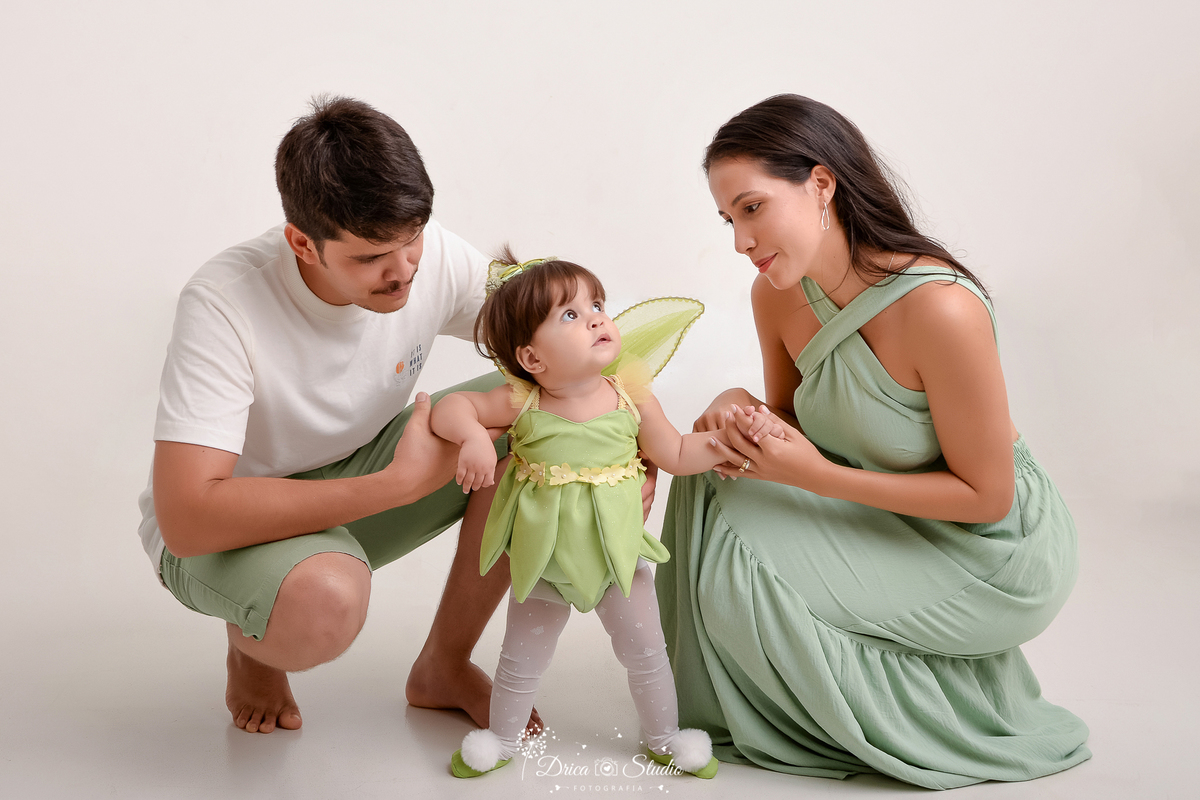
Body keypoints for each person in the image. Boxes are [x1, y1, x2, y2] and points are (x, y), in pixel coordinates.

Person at [137, 97, 657, 735]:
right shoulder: (223, 303)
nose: (404, 270)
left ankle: (443, 666)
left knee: (532, 406)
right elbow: (187, 519)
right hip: (228, 529)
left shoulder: (425, 254)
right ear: (302, 243)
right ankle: (253, 644)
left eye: (412, 242)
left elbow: (564, 347)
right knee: (325, 601)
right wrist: (396, 485)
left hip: (355, 477)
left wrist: (634, 451)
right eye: (371, 257)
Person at [657, 94, 1091, 789]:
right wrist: (734, 409)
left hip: (998, 550)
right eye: (728, 218)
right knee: (713, 472)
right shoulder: (775, 294)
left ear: (821, 184)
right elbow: (793, 427)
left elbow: (987, 496)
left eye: (752, 207)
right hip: (892, 512)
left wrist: (813, 479)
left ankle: (892, 714)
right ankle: (787, 694)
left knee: (741, 528)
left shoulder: (941, 308)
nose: (740, 239)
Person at [429, 251, 764, 778]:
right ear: (533, 358)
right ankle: (501, 738)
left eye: (597, 304)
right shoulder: (525, 402)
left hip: (617, 560)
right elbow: (449, 409)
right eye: (569, 315)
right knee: (520, 660)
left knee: (648, 654)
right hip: (545, 562)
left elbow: (675, 453)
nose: (595, 318)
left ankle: (665, 737)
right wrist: (472, 436)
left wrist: (724, 444)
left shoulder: (631, 399)